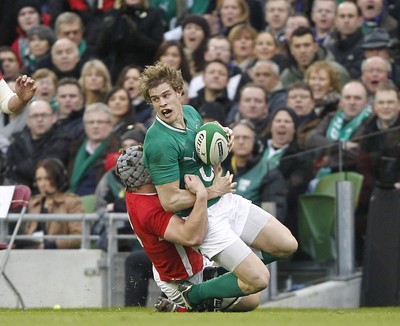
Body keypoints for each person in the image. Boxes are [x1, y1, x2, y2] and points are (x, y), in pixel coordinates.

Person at [140, 61, 298, 309]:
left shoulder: (191, 113)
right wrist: (212, 190)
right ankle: (191, 297)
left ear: (179, 91)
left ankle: (216, 277)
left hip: (225, 201)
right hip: (204, 218)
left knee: (286, 245)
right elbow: (169, 201)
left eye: (166, 95)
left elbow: (205, 152)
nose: (162, 103)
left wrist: (222, 137)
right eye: (155, 99)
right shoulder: (159, 142)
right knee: (258, 280)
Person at [116, 145, 259, 312]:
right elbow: (193, 237)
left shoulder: (139, 192)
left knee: (248, 275)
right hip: (183, 278)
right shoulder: (149, 210)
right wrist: (208, 193)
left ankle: (186, 306)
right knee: (251, 298)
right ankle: (188, 306)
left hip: (187, 262)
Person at [222, 119, 287, 219]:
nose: (241, 142)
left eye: (246, 138)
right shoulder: (219, 168)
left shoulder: (268, 171)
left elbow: (272, 215)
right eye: (237, 138)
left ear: (255, 141)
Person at [5, 100, 71, 190]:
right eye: (35, 116)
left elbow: (46, 170)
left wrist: (17, 168)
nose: (40, 119)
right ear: (28, 121)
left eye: (44, 115)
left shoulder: (64, 140)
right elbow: (8, 171)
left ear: (54, 118)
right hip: (18, 192)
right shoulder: (16, 141)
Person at [96, 0, 164, 82]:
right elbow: (100, 52)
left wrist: (137, 36)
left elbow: (157, 48)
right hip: (117, 73)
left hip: (145, 70)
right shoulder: (113, 15)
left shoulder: (153, 15)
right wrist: (105, 34)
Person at [23, 158, 83, 249]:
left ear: (58, 178)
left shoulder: (72, 202)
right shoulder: (34, 202)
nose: (42, 184)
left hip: (60, 256)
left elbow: (77, 234)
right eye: (39, 179)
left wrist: (53, 245)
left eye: (47, 178)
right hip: (33, 253)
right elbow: (27, 232)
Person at [67, 102, 120, 196]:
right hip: (74, 201)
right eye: (91, 122)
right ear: (84, 126)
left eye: (100, 122)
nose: (95, 126)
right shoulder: (73, 149)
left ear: (111, 125)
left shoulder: (118, 150)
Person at [281, 26, 350, 88]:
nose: (302, 51)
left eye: (307, 45)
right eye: (297, 46)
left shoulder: (336, 71)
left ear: (315, 47)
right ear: (291, 50)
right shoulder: (286, 77)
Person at [326, 0, 365, 79]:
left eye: (350, 16)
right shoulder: (329, 48)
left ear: (360, 20)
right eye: (342, 16)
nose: (346, 20)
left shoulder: (366, 47)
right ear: (335, 20)